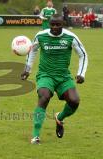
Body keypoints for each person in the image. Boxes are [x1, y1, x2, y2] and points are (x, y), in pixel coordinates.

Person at [21, 14, 88, 144]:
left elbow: (83, 54)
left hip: (63, 76)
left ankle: (59, 118)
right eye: (53, 24)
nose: (55, 27)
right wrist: (27, 69)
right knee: (44, 96)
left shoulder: (71, 37)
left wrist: (81, 74)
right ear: (49, 24)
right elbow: (32, 51)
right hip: (45, 75)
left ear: (63, 24)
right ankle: (35, 136)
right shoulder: (41, 35)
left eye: (58, 24)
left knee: (74, 101)